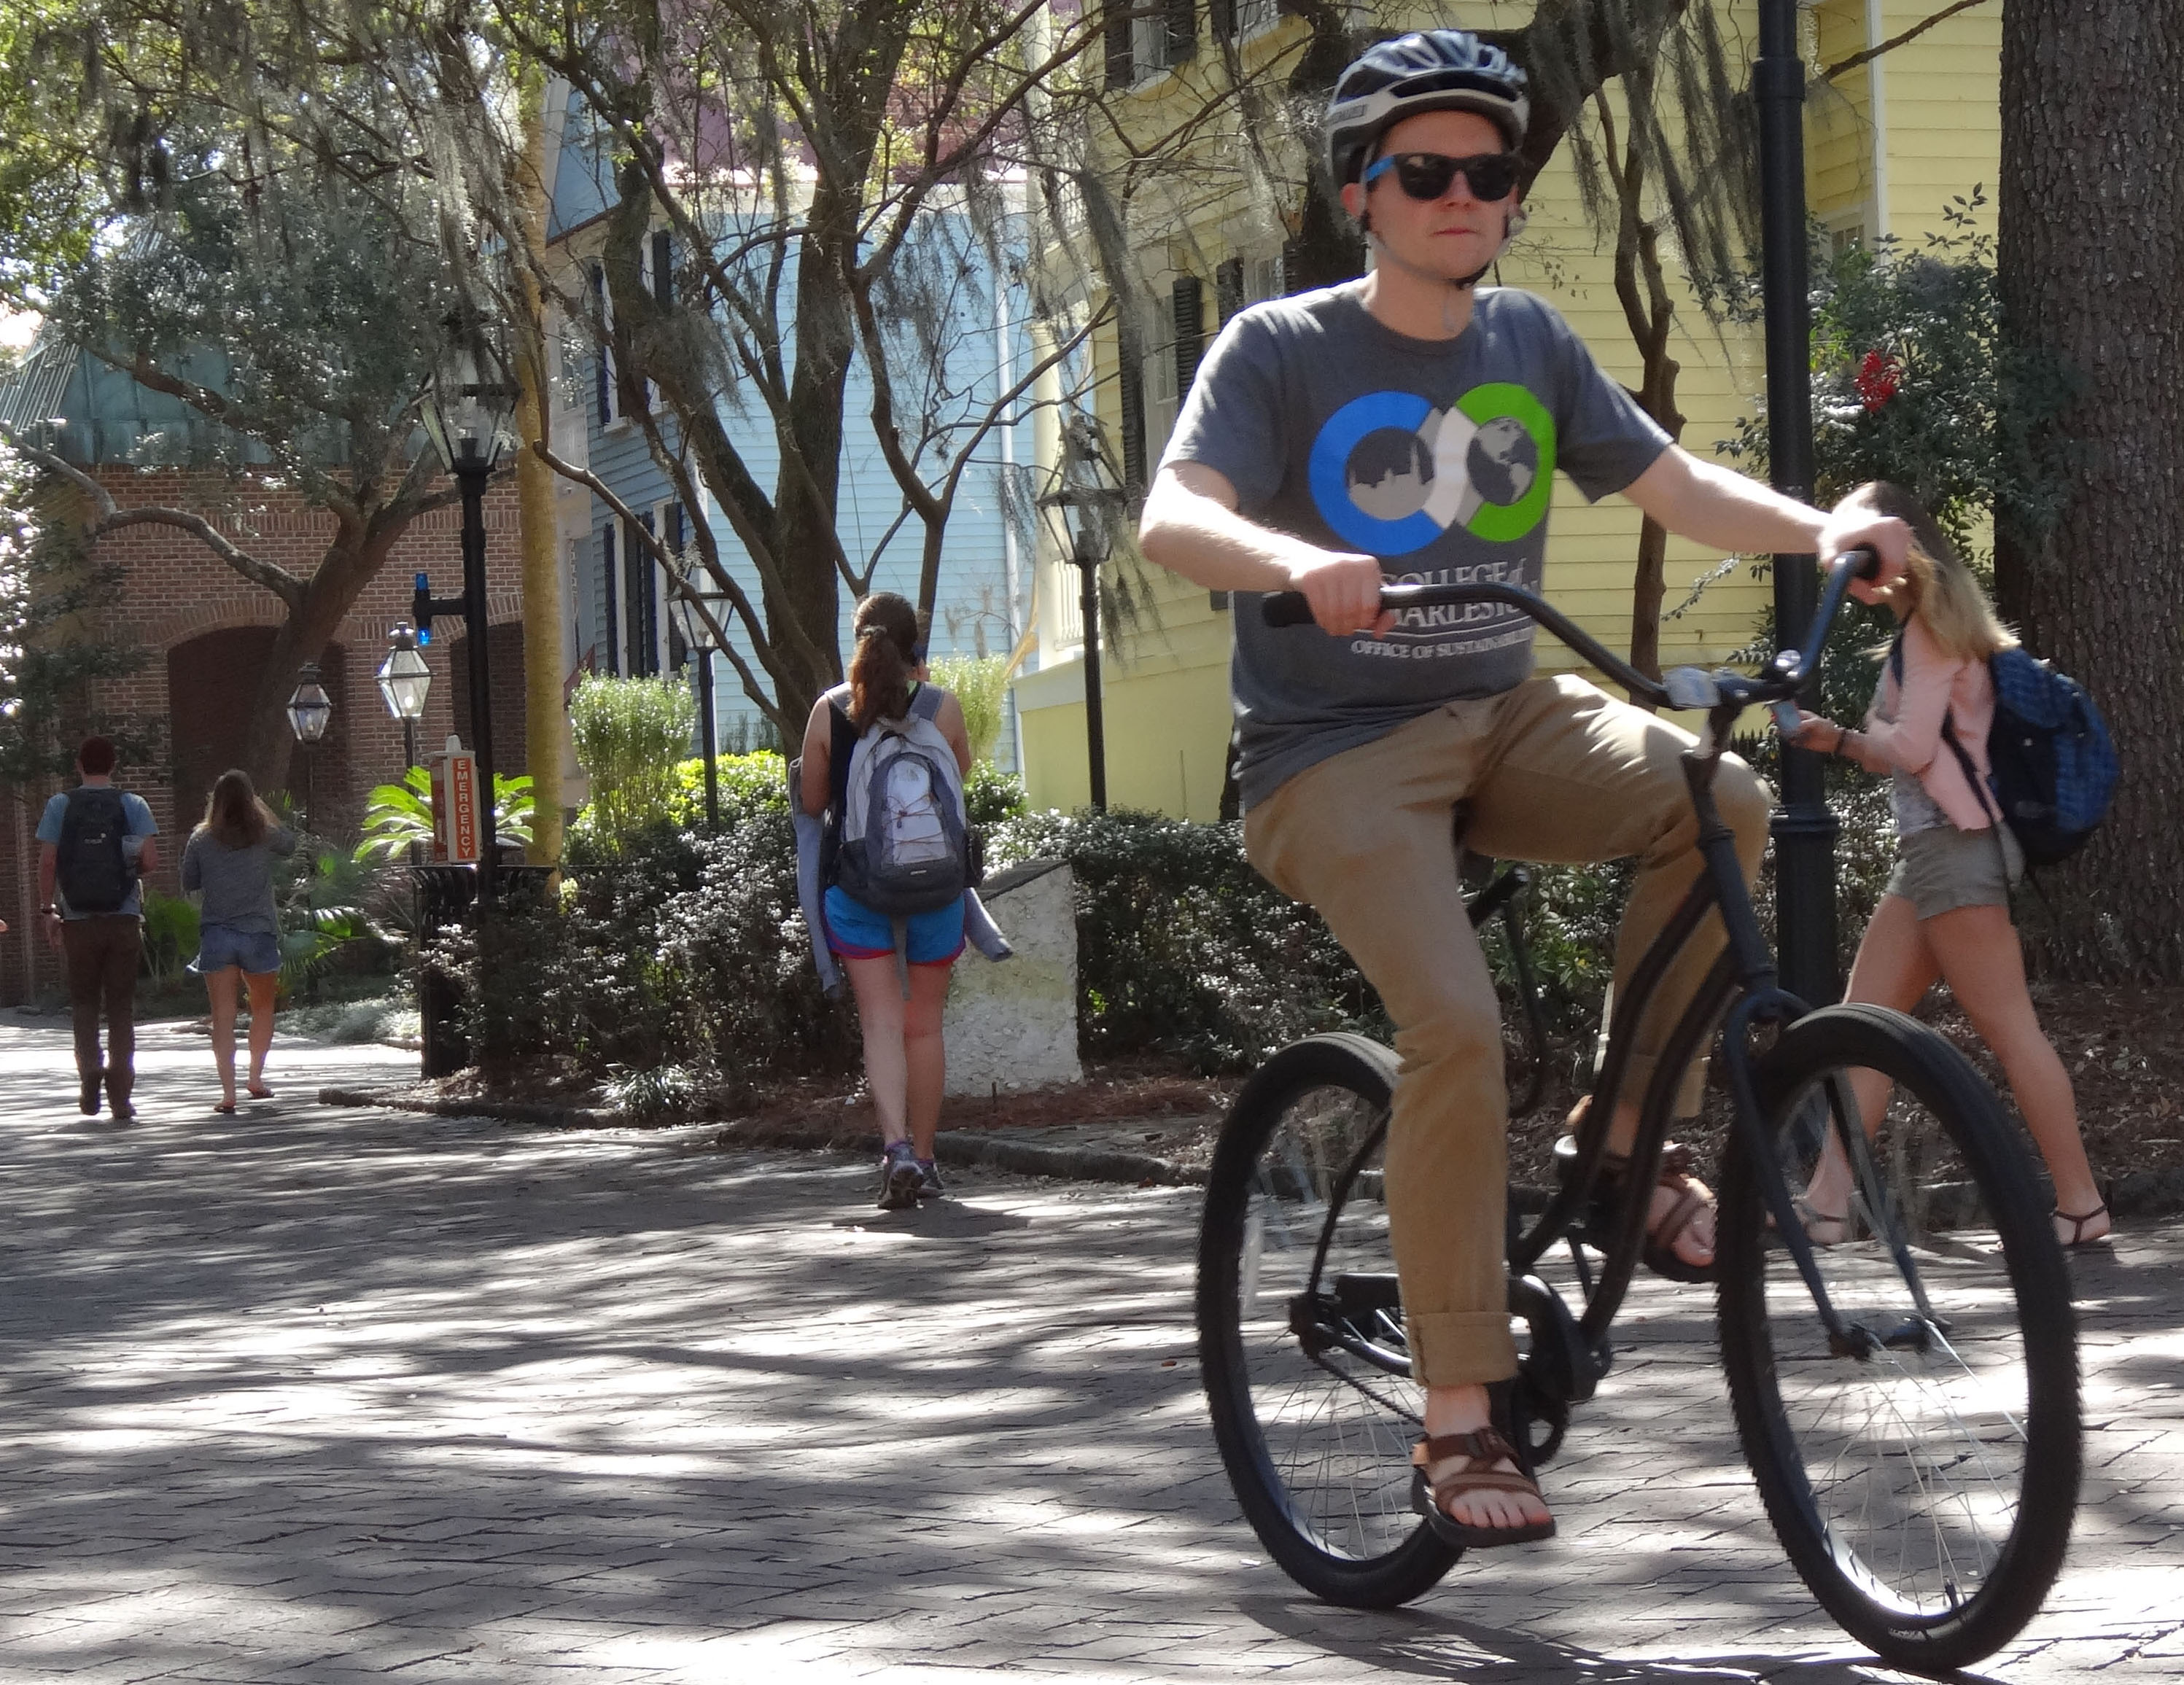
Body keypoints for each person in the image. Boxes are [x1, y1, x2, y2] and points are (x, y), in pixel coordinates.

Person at [1136, 28, 1911, 1549]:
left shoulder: (1532, 342)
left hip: (1506, 710)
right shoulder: (1280, 350)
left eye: (1488, 173)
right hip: (1328, 755)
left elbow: (1673, 487)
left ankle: (1620, 1143)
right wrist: (1301, 561)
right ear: (1362, 190)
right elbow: (1172, 512)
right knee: (1456, 1031)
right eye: (1425, 171)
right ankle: (1457, 1414)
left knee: (1723, 802)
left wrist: (1822, 530)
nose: (1462, 194)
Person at [1788, 482, 2107, 1248]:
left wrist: (1838, 736)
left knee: (2010, 1030)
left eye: (1857, 552)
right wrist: (1868, 733)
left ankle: (2080, 1203)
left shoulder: (1929, 632)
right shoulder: (1928, 630)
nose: (1847, 568)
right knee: (1862, 1025)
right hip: (1933, 856)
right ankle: (1827, 1202)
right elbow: (1902, 744)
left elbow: (1909, 749)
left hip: (1953, 854)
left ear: (1895, 551)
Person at [798, 593, 975, 1211]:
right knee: (923, 1024)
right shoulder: (942, 707)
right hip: (937, 886)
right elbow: (960, 781)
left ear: (859, 640)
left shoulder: (831, 710)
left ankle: (895, 1147)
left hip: (859, 886)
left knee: (880, 1022)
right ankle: (926, 1160)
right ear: (914, 645)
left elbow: (814, 803)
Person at [36, 736, 160, 1121]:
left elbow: (47, 863)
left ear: (78, 765)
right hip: (123, 917)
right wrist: (127, 875)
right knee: (121, 1007)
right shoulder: (132, 804)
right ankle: (121, 1096)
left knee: (85, 1003)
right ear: (113, 766)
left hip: (77, 919)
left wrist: (48, 911)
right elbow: (151, 860)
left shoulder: (60, 805)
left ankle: (90, 1070)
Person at [180, 768, 298, 1114]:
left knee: (222, 1016)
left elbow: (189, 881)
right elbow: (290, 845)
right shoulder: (263, 835)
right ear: (251, 801)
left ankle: (228, 1093)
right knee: (262, 1009)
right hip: (259, 931)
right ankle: (255, 1079)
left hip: (217, 933)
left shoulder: (201, 839)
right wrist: (265, 810)